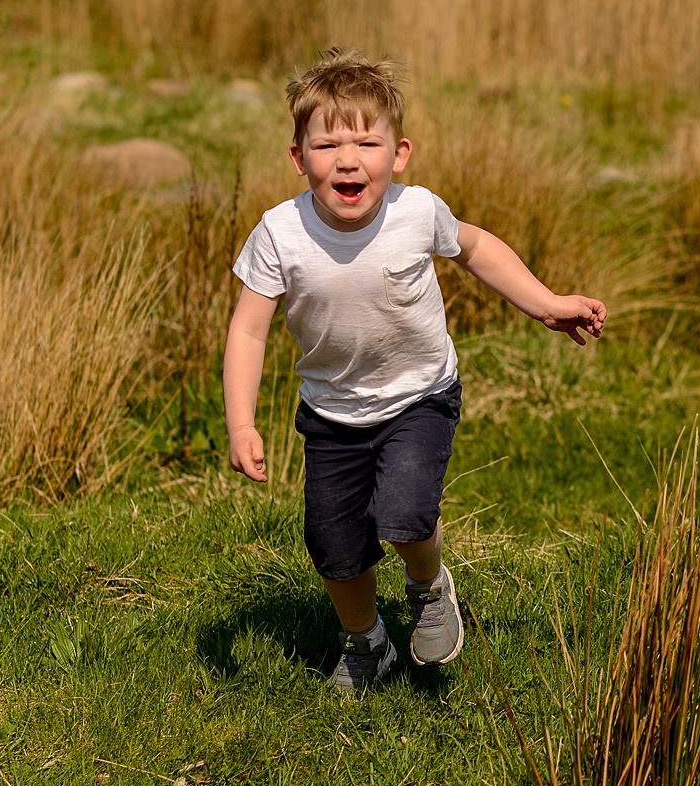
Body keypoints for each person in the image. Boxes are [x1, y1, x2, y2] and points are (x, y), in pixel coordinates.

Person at [223, 47, 607, 694]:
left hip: (419, 397)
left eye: (368, 142)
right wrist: (240, 423)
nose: (348, 159)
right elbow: (248, 328)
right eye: (327, 145)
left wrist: (546, 304)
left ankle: (429, 588)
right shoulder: (279, 234)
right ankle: (367, 641)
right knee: (334, 548)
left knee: (403, 512)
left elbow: (477, 246)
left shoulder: (415, 211)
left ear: (399, 154)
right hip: (332, 414)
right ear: (298, 156)